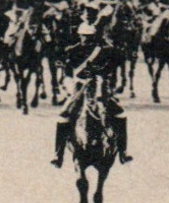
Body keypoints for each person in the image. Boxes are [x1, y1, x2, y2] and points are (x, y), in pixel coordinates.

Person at [51, 17, 131, 167]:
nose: (86, 39)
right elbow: (67, 71)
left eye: (89, 37)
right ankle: (58, 154)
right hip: (79, 87)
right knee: (64, 115)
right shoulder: (73, 51)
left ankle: (123, 151)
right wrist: (73, 83)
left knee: (119, 114)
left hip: (99, 85)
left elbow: (118, 60)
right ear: (79, 35)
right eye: (84, 36)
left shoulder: (103, 50)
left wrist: (103, 72)